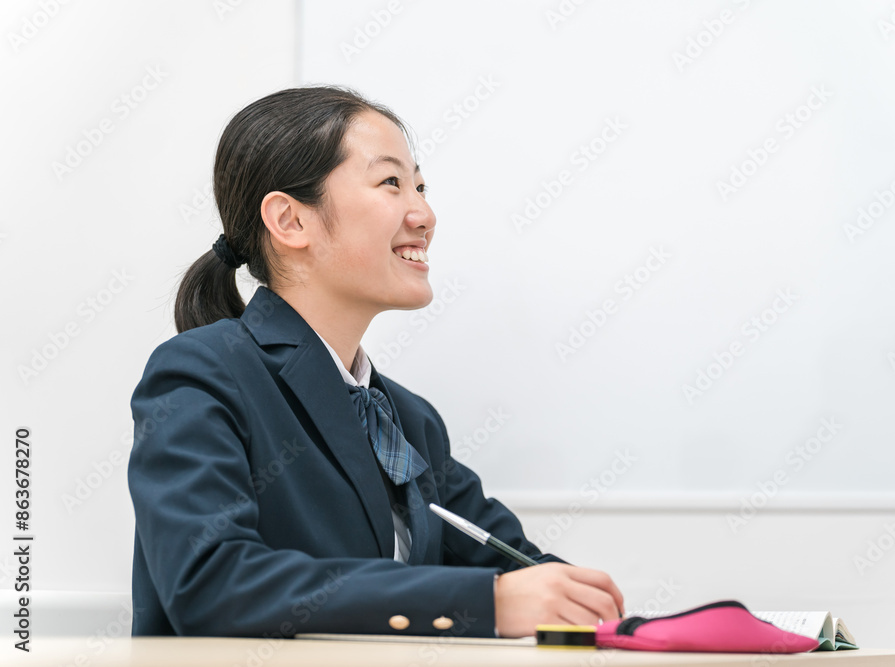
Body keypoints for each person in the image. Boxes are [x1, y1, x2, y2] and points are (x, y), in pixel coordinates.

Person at [127, 86, 623, 639]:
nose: (425, 214)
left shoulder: (411, 420)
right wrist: (484, 601)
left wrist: (589, 609)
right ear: (290, 221)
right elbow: (210, 585)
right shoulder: (202, 373)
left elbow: (519, 571)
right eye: (391, 182)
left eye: (421, 186)